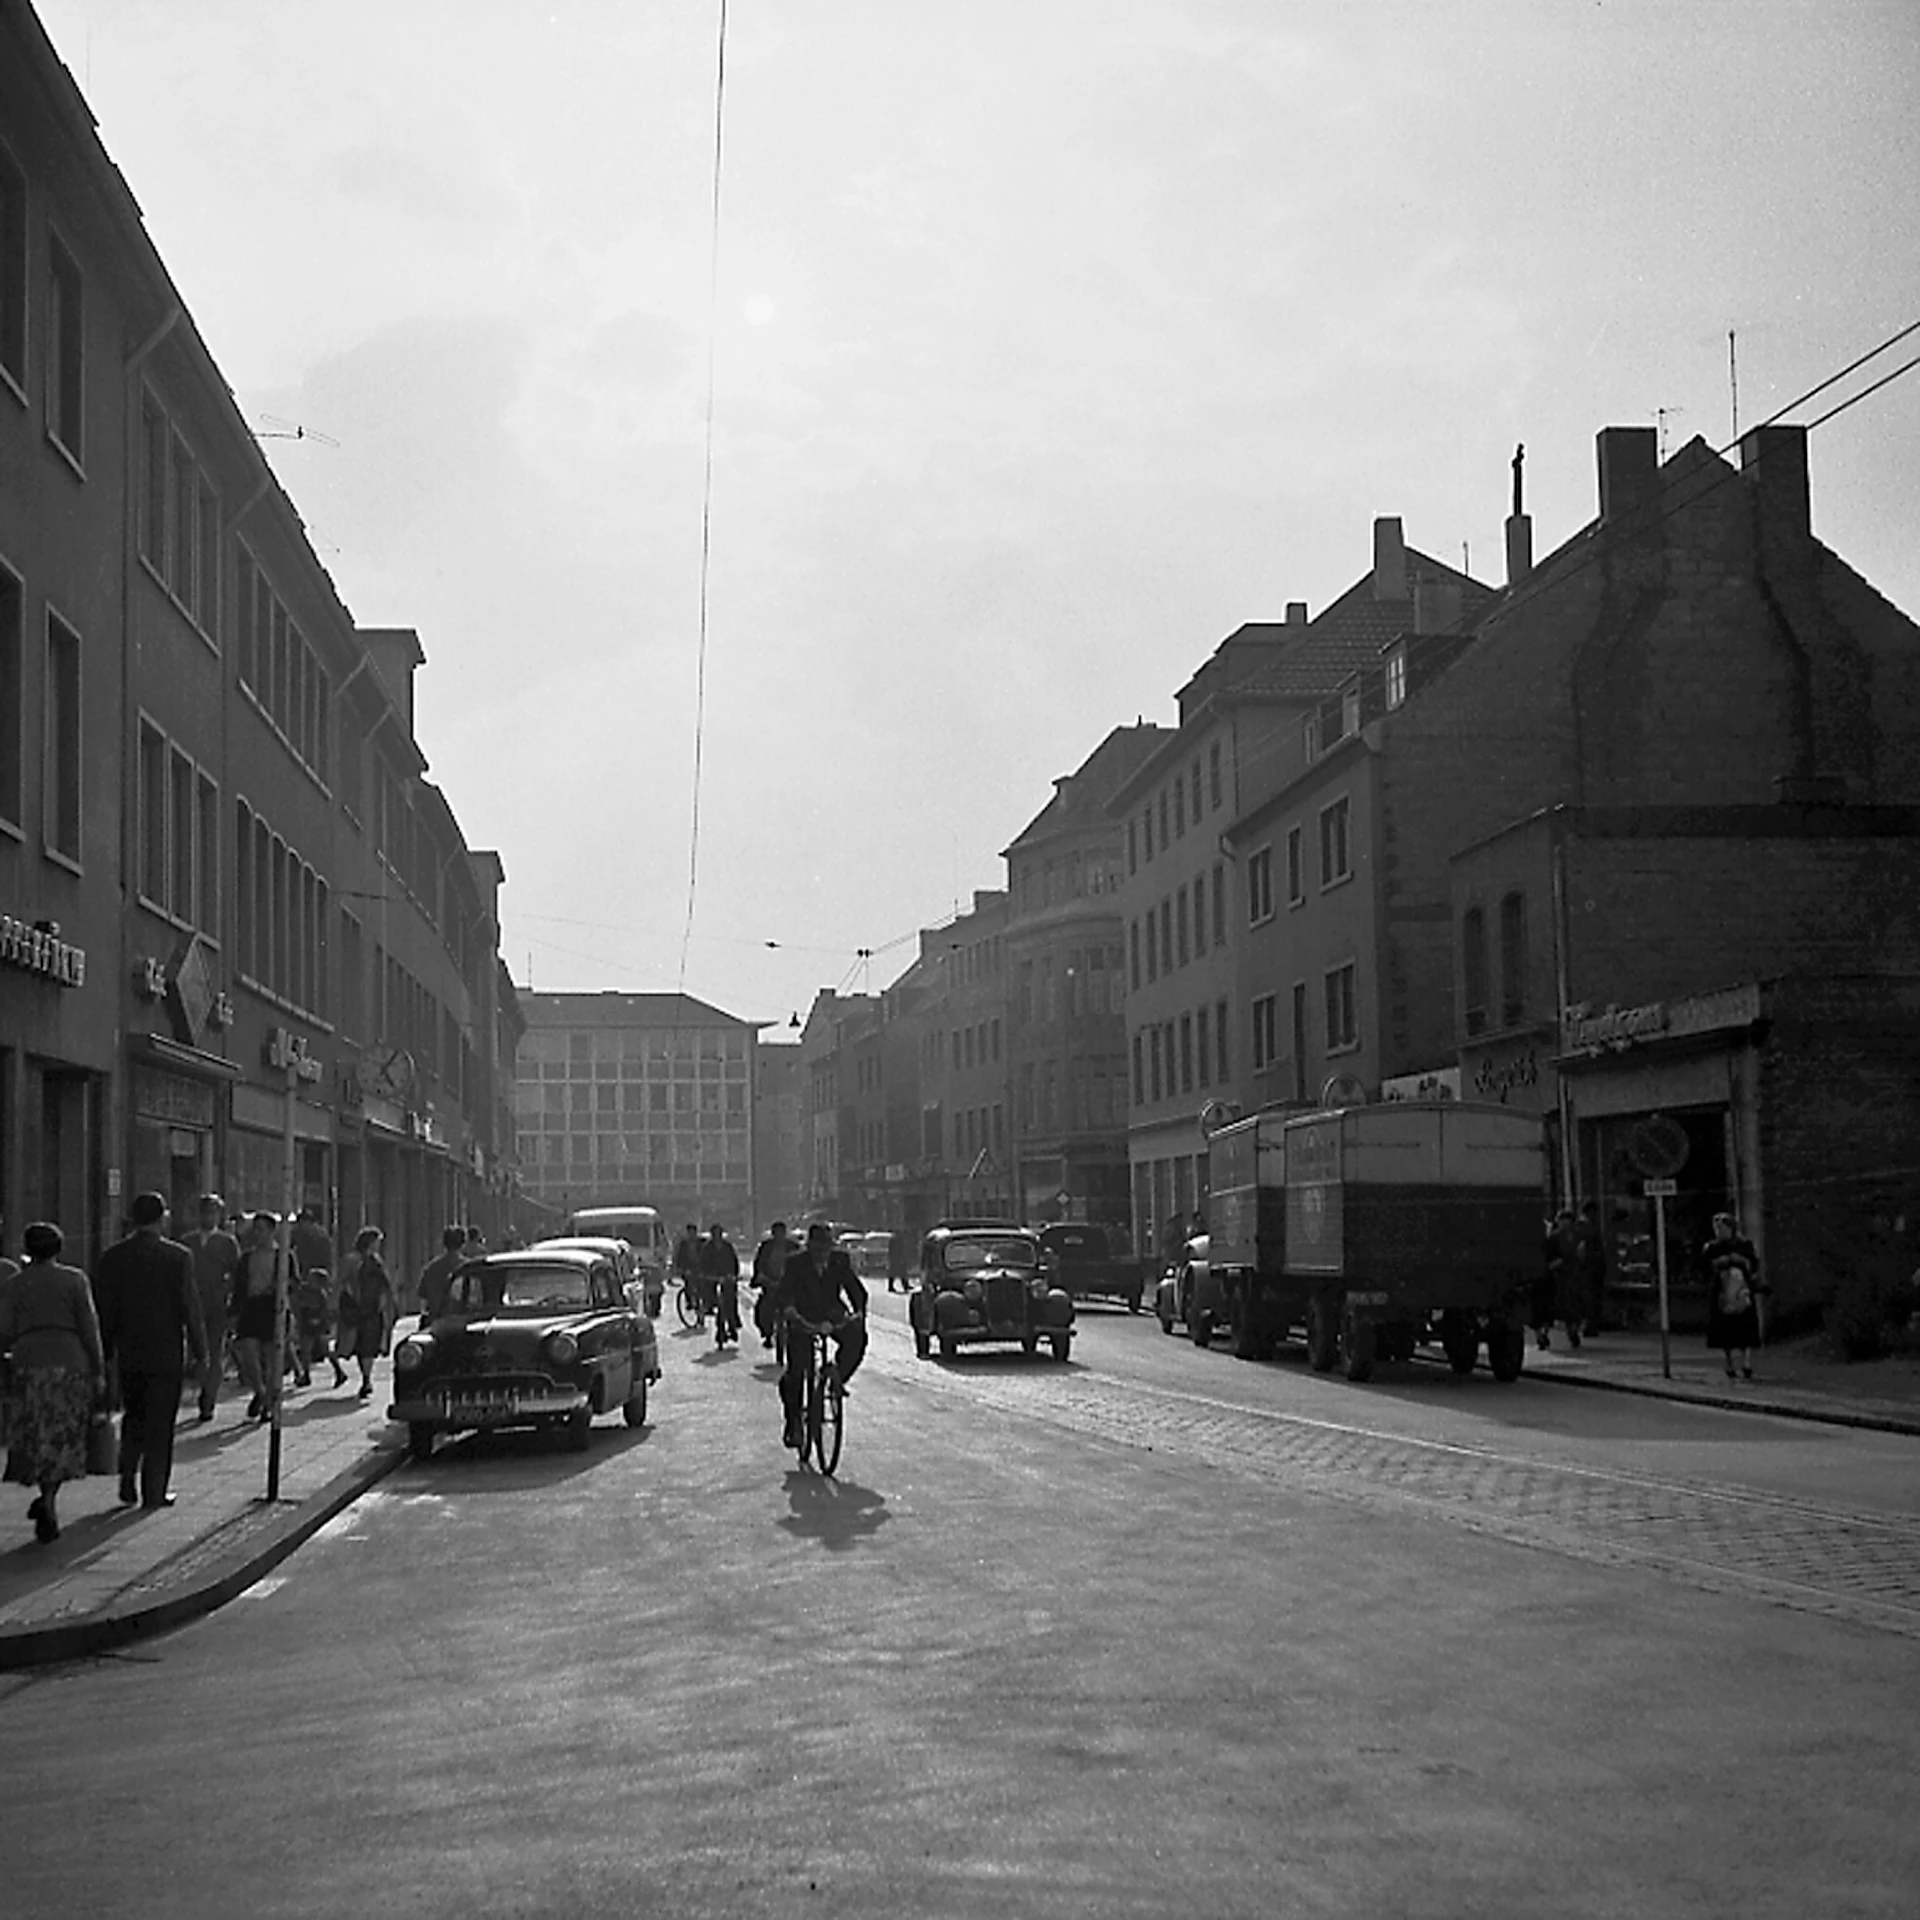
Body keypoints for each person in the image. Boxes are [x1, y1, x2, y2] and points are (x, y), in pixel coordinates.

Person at [93, 1193, 207, 1510]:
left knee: (134, 1415)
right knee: (161, 1423)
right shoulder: (178, 1256)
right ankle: (154, 1491)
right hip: (166, 1350)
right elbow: (190, 1307)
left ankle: (127, 1473)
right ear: (163, 1218)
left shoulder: (113, 1256)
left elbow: (105, 1309)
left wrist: (104, 1351)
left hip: (128, 1349)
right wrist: (201, 1351)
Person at [0, 1222, 107, 1542]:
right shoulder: (74, 1280)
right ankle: (48, 1499)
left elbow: (4, 1327)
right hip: (69, 1360)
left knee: (34, 1432)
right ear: (58, 1248)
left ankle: (42, 1495)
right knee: (63, 1435)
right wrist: (98, 1369)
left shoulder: (15, 1284)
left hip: (28, 1361)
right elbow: (90, 1327)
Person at [775, 1223, 868, 1451]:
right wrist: (789, 1310)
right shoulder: (795, 1263)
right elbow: (784, 1293)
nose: (822, 1254)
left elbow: (857, 1291)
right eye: (817, 1249)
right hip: (802, 1319)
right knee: (796, 1372)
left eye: (826, 1248)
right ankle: (794, 1421)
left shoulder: (840, 1261)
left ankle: (837, 1378)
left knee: (858, 1338)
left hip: (832, 1316)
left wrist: (858, 1314)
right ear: (809, 1246)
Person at [181, 1194, 242, 1420]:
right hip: (192, 1304)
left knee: (215, 1351)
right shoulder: (187, 1241)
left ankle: (208, 1399)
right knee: (195, 1351)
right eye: (205, 1212)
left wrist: (228, 1295)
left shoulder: (227, 1242)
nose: (209, 1216)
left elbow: (237, 1274)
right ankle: (199, 1384)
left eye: (213, 1212)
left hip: (217, 1306)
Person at [229, 1213, 293, 1421]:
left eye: (261, 1229)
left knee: (270, 1356)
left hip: (272, 1308)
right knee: (249, 1354)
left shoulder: (283, 1256)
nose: (257, 1233)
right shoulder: (247, 1257)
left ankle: (268, 1400)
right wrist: (233, 1312)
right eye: (254, 1229)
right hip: (251, 1307)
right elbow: (239, 1287)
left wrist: (281, 1289)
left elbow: (294, 1282)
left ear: (272, 1231)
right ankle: (260, 1392)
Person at [336, 1225, 397, 1398]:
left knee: (368, 1345)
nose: (378, 1245)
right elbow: (341, 1281)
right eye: (377, 1241)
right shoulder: (354, 1260)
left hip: (371, 1309)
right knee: (360, 1343)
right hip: (358, 1308)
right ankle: (365, 1378)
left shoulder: (376, 1260)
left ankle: (366, 1379)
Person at [1702, 1210, 1764, 1380]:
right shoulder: (1712, 1248)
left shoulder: (1744, 1245)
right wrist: (1718, 1263)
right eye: (1716, 1228)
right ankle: (1729, 1363)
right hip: (1722, 1291)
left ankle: (1746, 1363)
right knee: (1725, 1329)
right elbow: (1705, 1267)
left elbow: (1754, 1265)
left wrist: (1742, 1261)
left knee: (1745, 1326)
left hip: (1740, 1290)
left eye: (1722, 1228)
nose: (1719, 1232)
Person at [1539, 1208, 1579, 1350]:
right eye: (1563, 1220)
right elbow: (1547, 1260)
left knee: (1570, 1308)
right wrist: (1557, 1263)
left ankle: (1572, 1333)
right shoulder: (1553, 1238)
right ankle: (1543, 1334)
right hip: (1555, 1278)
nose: (1566, 1224)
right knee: (1552, 1309)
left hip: (1569, 1277)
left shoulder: (1574, 1237)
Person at [751, 1221, 794, 1347]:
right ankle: (768, 1333)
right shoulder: (766, 1247)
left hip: (790, 1285)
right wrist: (760, 1277)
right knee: (764, 1309)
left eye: (782, 1233)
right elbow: (759, 1263)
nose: (779, 1236)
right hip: (770, 1283)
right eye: (777, 1233)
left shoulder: (793, 1246)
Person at [699, 1222, 741, 1348]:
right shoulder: (707, 1248)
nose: (717, 1237)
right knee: (709, 1296)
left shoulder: (728, 1247)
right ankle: (709, 1308)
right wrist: (704, 1274)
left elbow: (734, 1262)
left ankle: (733, 1323)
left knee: (730, 1299)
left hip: (727, 1277)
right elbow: (703, 1263)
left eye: (719, 1234)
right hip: (712, 1278)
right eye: (714, 1234)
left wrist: (733, 1275)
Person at [417, 1224, 469, 1324]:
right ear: (463, 1243)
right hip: (462, 1322)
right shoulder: (468, 1268)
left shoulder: (432, 1268)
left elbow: (423, 1297)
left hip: (436, 1322)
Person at [1570, 1199, 1607, 1339]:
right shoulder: (1585, 1226)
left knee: (1589, 1297)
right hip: (1590, 1268)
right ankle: (1589, 1325)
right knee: (1590, 1297)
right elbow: (1585, 1248)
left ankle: (1588, 1325)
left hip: (1589, 1267)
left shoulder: (1581, 1225)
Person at [673, 1221, 704, 1321]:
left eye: (693, 1232)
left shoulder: (702, 1242)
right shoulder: (683, 1244)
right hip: (688, 1268)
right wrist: (680, 1268)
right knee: (688, 1282)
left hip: (700, 1267)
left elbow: (706, 1256)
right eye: (689, 1232)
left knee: (702, 1286)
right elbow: (680, 1257)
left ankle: (703, 1305)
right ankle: (689, 1301)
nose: (691, 1235)